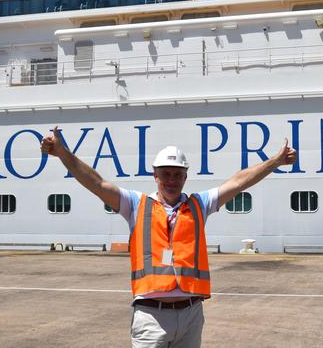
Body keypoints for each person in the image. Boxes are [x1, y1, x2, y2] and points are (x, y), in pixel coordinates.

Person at [40, 126, 297, 348]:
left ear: (185, 177)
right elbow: (97, 183)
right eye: (166, 173)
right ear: (155, 175)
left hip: (191, 313)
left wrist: (274, 162)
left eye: (177, 174)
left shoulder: (200, 204)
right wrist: (62, 153)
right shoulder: (135, 205)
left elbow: (239, 182)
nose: (171, 180)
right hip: (151, 315)